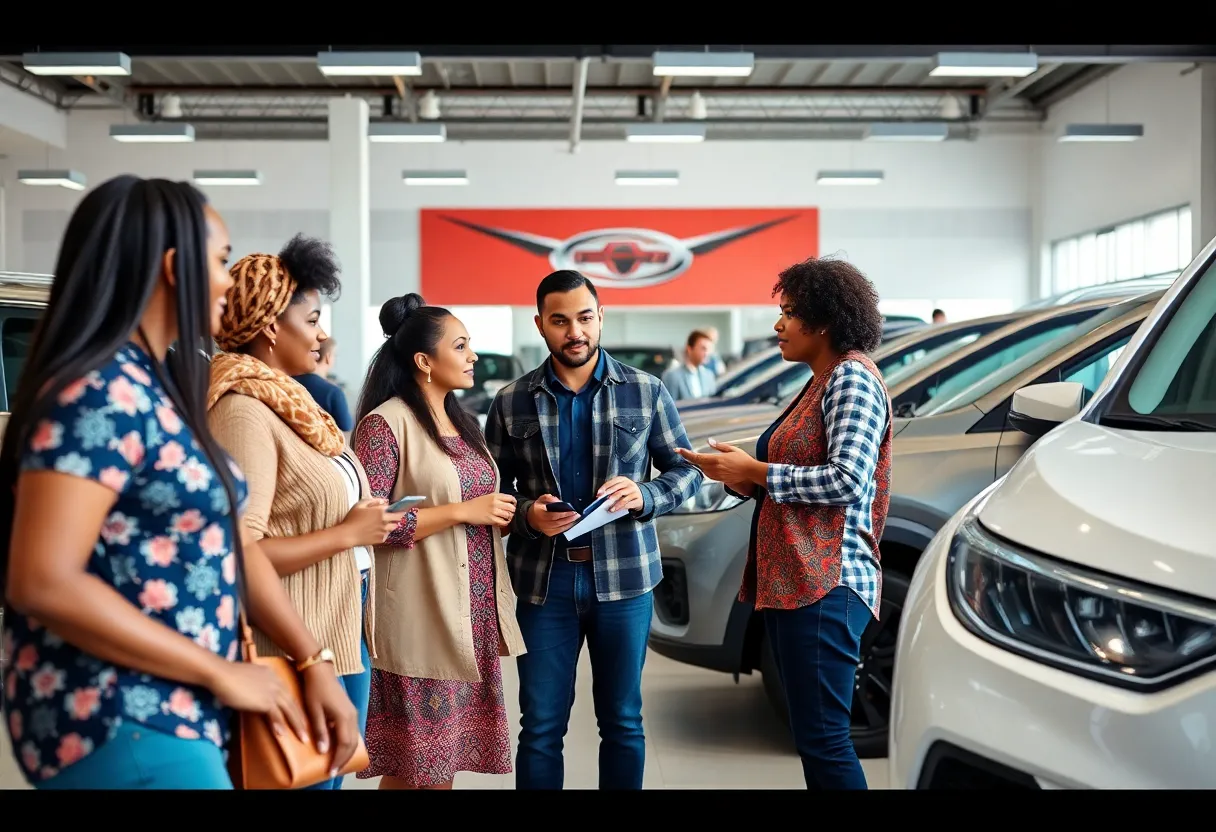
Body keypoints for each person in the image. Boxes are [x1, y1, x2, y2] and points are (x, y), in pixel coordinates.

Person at [0, 175, 360, 790]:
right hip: (123, 713)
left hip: (177, 711)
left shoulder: (156, 385)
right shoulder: (99, 393)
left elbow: (232, 544)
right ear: (174, 267)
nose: (229, 280)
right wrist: (219, 672)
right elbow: (42, 579)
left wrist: (312, 659)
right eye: (221, 260)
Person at [676, 255, 893, 790]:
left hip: (829, 582)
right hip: (800, 581)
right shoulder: (820, 381)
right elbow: (800, 471)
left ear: (823, 321)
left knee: (825, 739)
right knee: (815, 736)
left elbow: (847, 480)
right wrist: (738, 475)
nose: (778, 325)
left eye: (789, 313)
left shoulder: (851, 381)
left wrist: (756, 469)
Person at [484, 269, 702, 790]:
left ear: (600, 317)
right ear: (540, 325)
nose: (574, 331)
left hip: (625, 582)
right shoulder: (512, 400)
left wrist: (645, 494)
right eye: (560, 321)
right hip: (544, 584)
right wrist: (526, 516)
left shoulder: (645, 392)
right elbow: (489, 493)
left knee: (623, 722)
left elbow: (687, 470)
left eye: (584, 318)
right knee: (539, 728)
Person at [207, 235, 404, 790]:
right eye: (313, 318)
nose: (321, 334)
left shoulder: (292, 402)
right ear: (272, 326)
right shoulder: (244, 410)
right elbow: (240, 554)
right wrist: (347, 534)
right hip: (292, 648)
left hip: (339, 634)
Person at [351, 293, 526, 790]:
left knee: (438, 770)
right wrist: (461, 512)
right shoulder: (385, 425)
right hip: (419, 614)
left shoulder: (461, 421)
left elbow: (473, 504)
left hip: (468, 617)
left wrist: (500, 513)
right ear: (424, 361)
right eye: (462, 345)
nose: (473, 356)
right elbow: (372, 522)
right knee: (417, 772)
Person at [293, 338, 354, 435]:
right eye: (335, 355)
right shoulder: (334, 392)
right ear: (328, 357)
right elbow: (347, 428)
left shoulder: (289, 382)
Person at [662, 329, 718, 401]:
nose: (707, 353)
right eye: (703, 348)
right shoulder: (672, 376)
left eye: (708, 349)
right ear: (689, 349)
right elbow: (668, 408)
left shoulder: (709, 375)